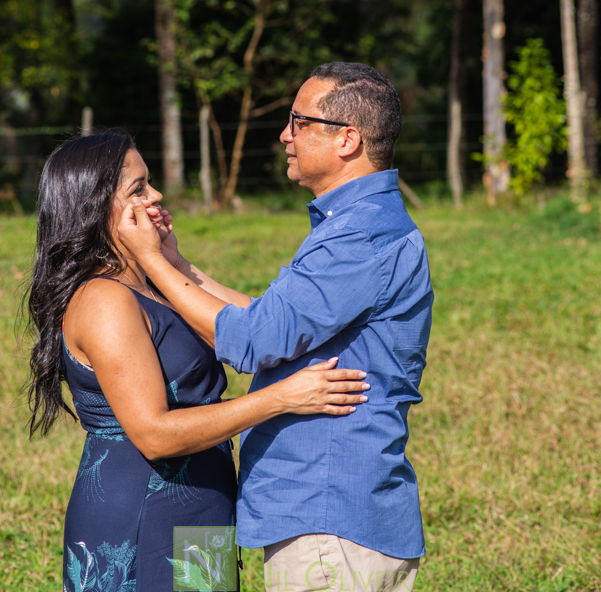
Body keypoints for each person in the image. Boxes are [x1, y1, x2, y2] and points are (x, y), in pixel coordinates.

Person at [119, 62, 434, 592]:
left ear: (347, 139)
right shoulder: (360, 226)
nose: (285, 134)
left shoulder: (360, 237)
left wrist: (150, 262)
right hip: (327, 517)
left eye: (299, 121)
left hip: (328, 518)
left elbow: (254, 340)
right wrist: (178, 264)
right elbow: (271, 318)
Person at [24, 131, 369, 592]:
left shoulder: (149, 281)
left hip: (199, 505)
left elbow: (259, 326)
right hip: (143, 513)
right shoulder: (104, 299)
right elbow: (154, 435)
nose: (157, 196)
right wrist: (280, 398)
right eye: (139, 188)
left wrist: (172, 261)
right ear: (95, 205)